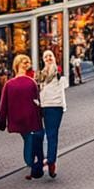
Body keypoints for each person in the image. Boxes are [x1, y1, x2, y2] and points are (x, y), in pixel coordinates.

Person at [0, 54, 44, 179]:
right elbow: (38, 102)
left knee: (27, 138)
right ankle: (30, 162)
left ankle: (30, 162)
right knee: (30, 139)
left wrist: (2, 122)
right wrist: (41, 116)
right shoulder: (32, 83)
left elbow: (3, 106)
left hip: (17, 119)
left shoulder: (9, 84)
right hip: (31, 118)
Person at [36, 49, 66, 179]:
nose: (48, 58)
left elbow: (65, 84)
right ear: (43, 60)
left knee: (52, 134)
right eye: (46, 56)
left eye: (50, 56)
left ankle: (51, 161)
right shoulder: (40, 75)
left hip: (55, 107)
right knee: (41, 134)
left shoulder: (58, 73)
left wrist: (53, 68)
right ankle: (45, 159)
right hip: (43, 106)